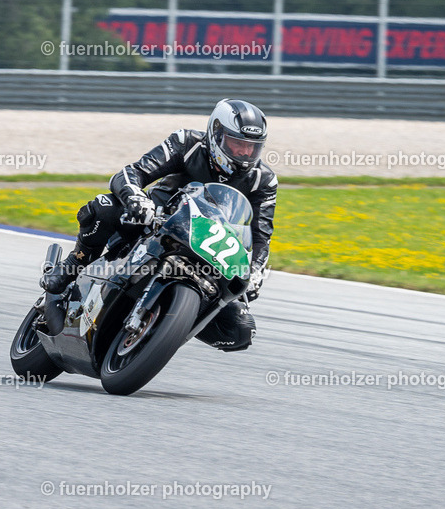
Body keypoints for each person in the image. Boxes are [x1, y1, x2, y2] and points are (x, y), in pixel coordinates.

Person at [40, 98, 276, 351]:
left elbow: (260, 236)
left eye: (253, 147)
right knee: (105, 208)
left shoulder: (263, 180)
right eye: (237, 143)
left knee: (240, 330)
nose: (244, 153)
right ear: (216, 134)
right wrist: (136, 199)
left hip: (211, 249)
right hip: (156, 222)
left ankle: (166, 328)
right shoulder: (186, 143)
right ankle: (76, 261)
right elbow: (131, 173)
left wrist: (255, 272)